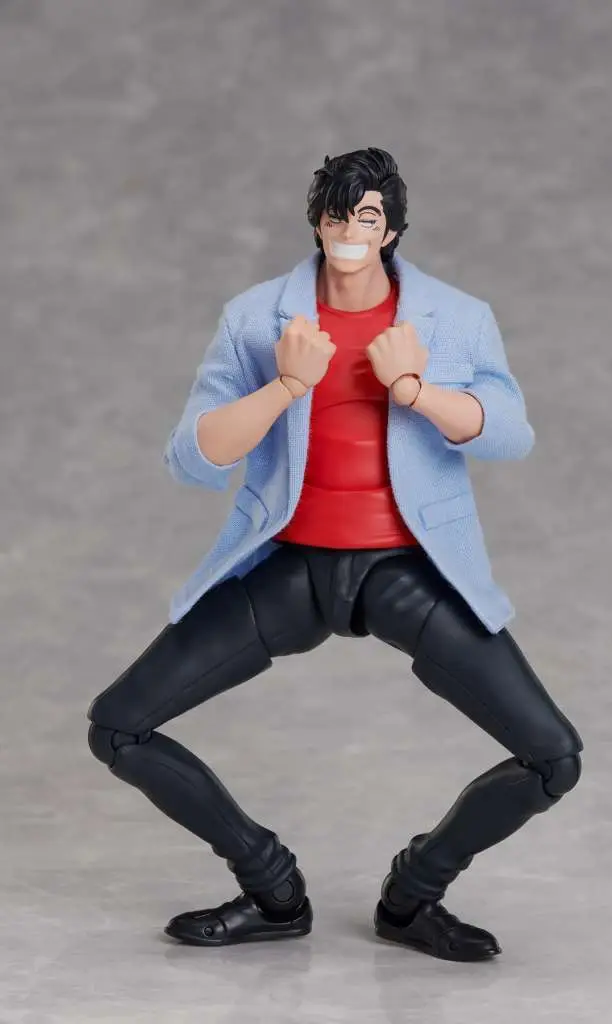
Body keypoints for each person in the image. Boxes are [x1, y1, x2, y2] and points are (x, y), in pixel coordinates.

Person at [87, 147, 583, 962]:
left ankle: (412, 895)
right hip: (290, 568)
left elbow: (510, 436)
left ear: (392, 229)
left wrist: (416, 391)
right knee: (119, 728)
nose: (350, 230)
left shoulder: (456, 317)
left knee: (553, 758)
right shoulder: (257, 318)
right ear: (316, 222)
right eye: (336, 214)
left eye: (368, 216)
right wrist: (285, 386)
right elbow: (192, 457)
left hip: (405, 570)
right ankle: (272, 889)